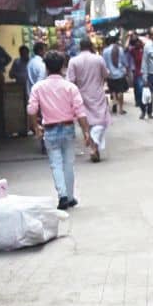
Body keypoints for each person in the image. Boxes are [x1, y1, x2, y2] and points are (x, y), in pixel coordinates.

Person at [27, 51, 92, 210]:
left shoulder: (38, 87)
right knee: (68, 163)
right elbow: (80, 111)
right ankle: (70, 197)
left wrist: (36, 127)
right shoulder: (70, 87)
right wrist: (86, 131)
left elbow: (31, 110)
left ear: (46, 68)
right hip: (68, 127)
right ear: (63, 67)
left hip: (50, 130)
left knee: (55, 164)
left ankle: (62, 195)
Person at [67, 38, 112, 162]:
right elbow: (106, 74)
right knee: (100, 121)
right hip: (97, 94)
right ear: (91, 46)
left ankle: (93, 146)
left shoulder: (73, 61)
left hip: (81, 95)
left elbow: (70, 81)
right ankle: (94, 146)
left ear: (79, 47)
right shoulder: (98, 59)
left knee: (86, 122)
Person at [102, 35, 131, 115]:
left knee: (113, 90)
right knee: (120, 91)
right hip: (119, 74)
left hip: (110, 74)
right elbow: (124, 61)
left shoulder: (105, 51)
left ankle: (114, 102)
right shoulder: (120, 49)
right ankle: (120, 109)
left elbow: (104, 63)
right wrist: (127, 68)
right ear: (115, 41)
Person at [128, 35, 150, 119]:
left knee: (149, 93)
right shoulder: (133, 51)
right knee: (140, 93)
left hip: (149, 73)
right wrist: (128, 37)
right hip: (139, 74)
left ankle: (149, 111)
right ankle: (143, 110)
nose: (138, 43)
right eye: (136, 43)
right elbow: (126, 48)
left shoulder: (146, 49)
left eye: (139, 42)